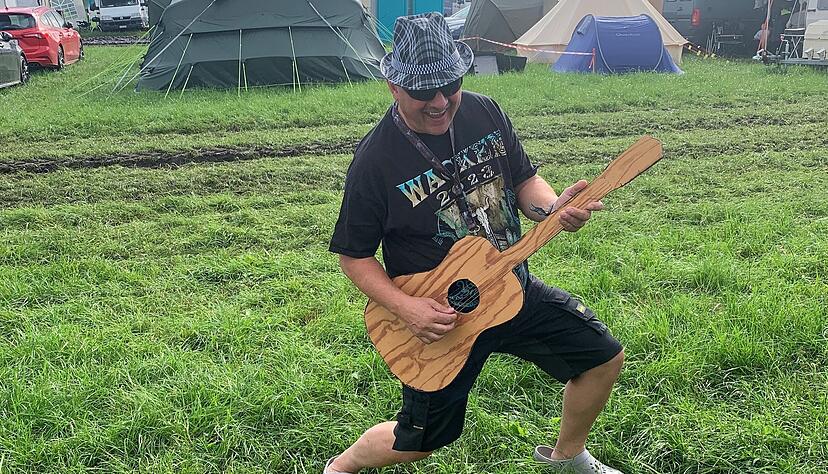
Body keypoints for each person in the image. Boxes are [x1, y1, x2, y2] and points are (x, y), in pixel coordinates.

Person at [326, 12, 625, 474]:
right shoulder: (376, 159)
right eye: (424, 91)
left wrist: (552, 209)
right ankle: (340, 468)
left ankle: (569, 460)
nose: (441, 101)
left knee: (603, 358)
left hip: (511, 288)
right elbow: (354, 255)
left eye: (451, 83)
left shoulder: (485, 112)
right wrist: (409, 310)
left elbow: (525, 181)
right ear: (394, 87)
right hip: (443, 316)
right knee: (420, 441)